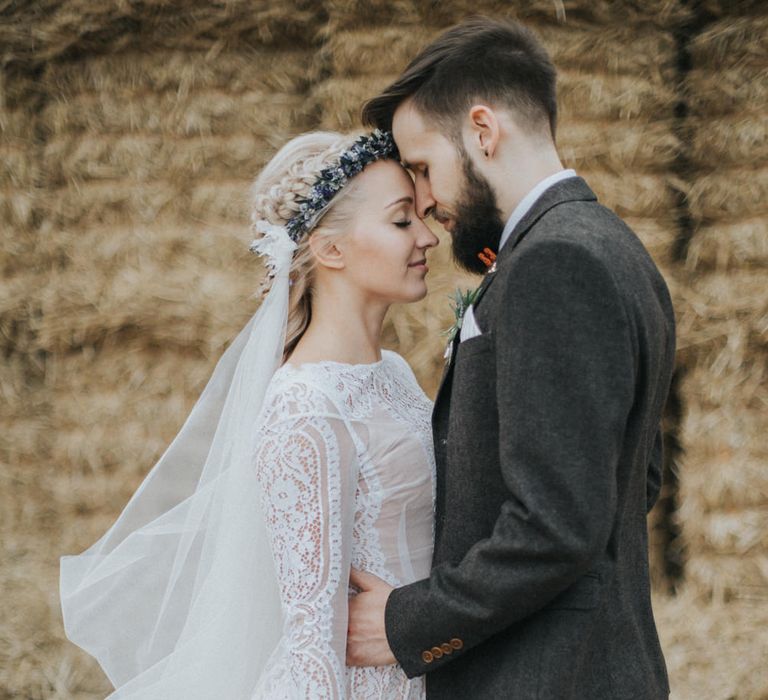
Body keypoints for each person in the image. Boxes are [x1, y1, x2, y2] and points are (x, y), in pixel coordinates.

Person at [346, 17, 676, 700]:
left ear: (483, 131)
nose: (425, 199)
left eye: (422, 167)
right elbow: (634, 478)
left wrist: (409, 624)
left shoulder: (551, 264)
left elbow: (556, 524)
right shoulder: (612, 245)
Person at [60, 129, 439, 698]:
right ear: (329, 249)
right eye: (402, 220)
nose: (429, 237)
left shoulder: (396, 374)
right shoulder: (304, 408)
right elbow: (313, 639)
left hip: (421, 662)